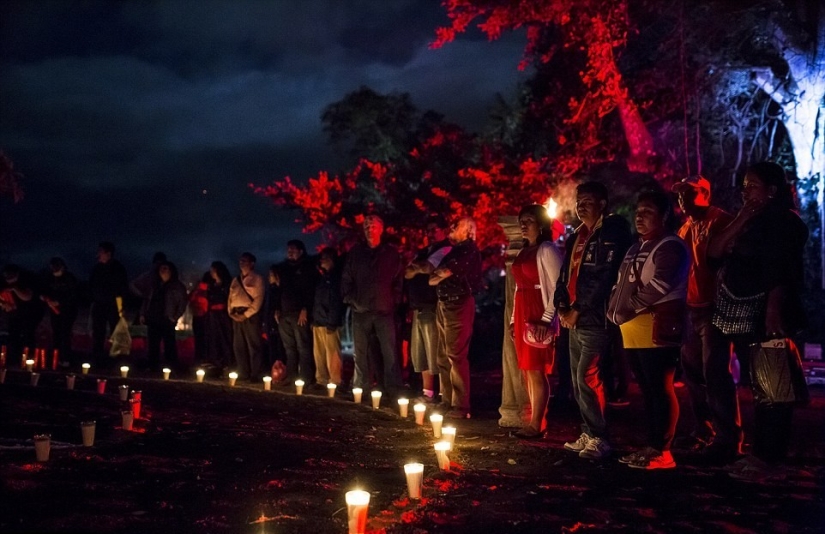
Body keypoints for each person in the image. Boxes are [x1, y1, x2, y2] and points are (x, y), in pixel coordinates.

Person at [707, 161, 809, 480]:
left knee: (773, 387)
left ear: (772, 191)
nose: (745, 191)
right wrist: (743, 216)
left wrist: (773, 309)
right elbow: (714, 252)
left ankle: (770, 459)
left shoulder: (786, 222)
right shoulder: (750, 220)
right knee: (758, 387)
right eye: (744, 185)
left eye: (753, 186)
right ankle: (760, 453)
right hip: (742, 315)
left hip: (769, 314)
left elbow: (782, 269)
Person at [607, 190, 689, 469]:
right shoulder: (635, 247)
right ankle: (651, 446)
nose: (639, 216)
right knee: (646, 388)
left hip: (658, 327)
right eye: (638, 211)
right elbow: (620, 284)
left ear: (664, 215)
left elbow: (660, 286)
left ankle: (663, 450)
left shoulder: (671, 246)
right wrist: (613, 309)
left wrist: (626, 308)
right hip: (633, 331)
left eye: (648, 211)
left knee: (659, 387)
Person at [555, 181, 633, 459]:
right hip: (575, 317)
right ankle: (588, 432)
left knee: (587, 376)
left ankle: (600, 437)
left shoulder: (612, 230)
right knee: (577, 379)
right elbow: (566, 274)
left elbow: (604, 275)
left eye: (588, 201)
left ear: (602, 203)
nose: (581, 206)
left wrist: (577, 308)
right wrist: (561, 305)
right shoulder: (579, 235)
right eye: (578, 201)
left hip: (595, 316)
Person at [671, 175, 742, 462]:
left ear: (704, 193)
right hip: (690, 308)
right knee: (693, 374)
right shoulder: (686, 227)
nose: (681, 199)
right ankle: (704, 430)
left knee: (715, 372)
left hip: (713, 307)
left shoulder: (721, 222)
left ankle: (728, 438)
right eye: (680, 194)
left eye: (688, 193)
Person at [509, 204, 563, 438]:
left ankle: (537, 424)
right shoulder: (524, 250)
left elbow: (558, 287)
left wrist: (547, 319)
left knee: (536, 370)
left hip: (539, 313)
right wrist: (513, 319)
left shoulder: (547, 249)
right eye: (521, 220)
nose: (523, 224)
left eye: (529, 220)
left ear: (541, 224)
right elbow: (517, 288)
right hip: (523, 312)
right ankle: (535, 419)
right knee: (527, 370)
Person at [341, 215, 404, 395]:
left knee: (390, 352)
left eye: (373, 226)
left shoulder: (391, 254)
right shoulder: (355, 253)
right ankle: (361, 387)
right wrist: (352, 299)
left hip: (385, 310)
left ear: (381, 229)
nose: (370, 229)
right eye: (367, 226)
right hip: (360, 311)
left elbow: (398, 280)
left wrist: (394, 300)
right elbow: (346, 279)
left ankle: (393, 388)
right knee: (360, 353)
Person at [429, 216, 484, 419]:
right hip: (444, 303)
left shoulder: (469, 251)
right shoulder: (454, 251)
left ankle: (460, 405)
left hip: (458, 304)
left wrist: (441, 273)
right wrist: (440, 274)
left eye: (457, 225)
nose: (452, 226)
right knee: (443, 355)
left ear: (469, 230)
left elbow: (444, 272)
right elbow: (433, 278)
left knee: (456, 354)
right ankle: (447, 400)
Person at [404, 215, 452, 403]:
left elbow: (427, 267)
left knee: (435, 352)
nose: (431, 234)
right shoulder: (423, 251)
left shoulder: (446, 249)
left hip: (433, 306)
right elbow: (408, 272)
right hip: (419, 307)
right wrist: (419, 268)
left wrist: (420, 268)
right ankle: (427, 393)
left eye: (435, 229)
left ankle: (443, 394)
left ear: (443, 230)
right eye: (428, 230)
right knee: (421, 353)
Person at [275, 240, 317, 384]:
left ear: (301, 251)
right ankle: (291, 376)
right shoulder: (284, 269)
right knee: (289, 348)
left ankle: (306, 377)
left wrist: (306, 308)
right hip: (285, 313)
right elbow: (280, 290)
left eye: (293, 249)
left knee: (303, 346)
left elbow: (311, 290)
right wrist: (277, 309)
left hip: (299, 314)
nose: (290, 252)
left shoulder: (307, 267)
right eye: (288, 249)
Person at [140, 261, 188, 371]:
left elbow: (182, 303)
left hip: (167, 319)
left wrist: (175, 317)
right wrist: (143, 314)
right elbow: (147, 300)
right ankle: (153, 366)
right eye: (161, 268)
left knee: (169, 344)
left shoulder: (177, 286)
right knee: (153, 344)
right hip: (153, 318)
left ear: (171, 271)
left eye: (165, 268)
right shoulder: (154, 285)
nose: (163, 271)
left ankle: (171, 366)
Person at [88, 241, 129, 366]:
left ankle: (115, 359)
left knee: (115, 332)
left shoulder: (118, 268)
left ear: (108, 253)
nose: (98, 254)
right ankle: (98, 358)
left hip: (113, 305)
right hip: (99, 304)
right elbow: (91, 286)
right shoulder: (97, 268)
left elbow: (123, 289)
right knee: (98, 332)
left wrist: (122, 307)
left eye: (100, 252)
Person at [228, 252, 265, 382]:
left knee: (253, 345)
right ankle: (243, 372)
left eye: (245, 260)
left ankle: (255, 374)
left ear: (252, 263)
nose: (241, 263)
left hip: (250, 315)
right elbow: (230, 297)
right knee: (238, 345)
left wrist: (246, 314)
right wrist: (231, 312)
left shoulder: (258, 279)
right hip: (236, 313)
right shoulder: (235, 279)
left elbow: (258, 299)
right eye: (241, 260)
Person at [312, 247, 345, 388]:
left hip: (329, 322)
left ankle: (335, 380)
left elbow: (336, 301)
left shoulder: (336, 278)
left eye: (324, 258)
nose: (321, 261)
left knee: (332, 353)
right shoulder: (323, 277)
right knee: (319, 353)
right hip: (319, 320)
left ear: (331, 260)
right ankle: (321, 379)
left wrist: (332, 322)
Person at [40, 257, 80, 367]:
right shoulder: (49, 278)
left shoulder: (70, 278)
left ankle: (66, 358)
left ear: (62, 267)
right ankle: (56, 358)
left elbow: (74, 295)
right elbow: (44, 290)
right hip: (54, 311)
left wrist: (60, 302)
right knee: (56, 334)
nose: (54, 269)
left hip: (68, 311)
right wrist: (44, 297)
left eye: (56, 267)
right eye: (52, 267)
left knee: (65, 334)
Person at [1, 264, 43, 361]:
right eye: (6, 275)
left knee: (28, 333)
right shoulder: (3, 282)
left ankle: (29, 357)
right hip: (14, 313)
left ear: (17, 274)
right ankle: (14, 357)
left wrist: (15, 289)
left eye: (11, 275)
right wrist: (3, 303)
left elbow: (27, 297)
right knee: (13, 333)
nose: (8, 278)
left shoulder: (27, 280)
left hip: (31, 311)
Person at [205, 261, 233, 374]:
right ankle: (215, 364)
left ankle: (227, 363)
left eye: (213, 270)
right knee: (213, 339)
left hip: (223, 315)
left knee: (224, 338)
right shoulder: (212, 285)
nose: (211, 273)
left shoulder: (226, 284)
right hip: (212, 315)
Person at [263, 264, 286, 370]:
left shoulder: (281, 289)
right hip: (269, 321)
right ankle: (273, 369)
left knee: (280, 347)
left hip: (278, 322)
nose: (269, 277)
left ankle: (282, 370)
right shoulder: (269, 290)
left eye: (271, 275)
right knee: (272, 347)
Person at [188, 271, 211, 367]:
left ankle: (198, 360)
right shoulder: (208, 290)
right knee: (207, 340)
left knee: (199, 340)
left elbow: (190, 301)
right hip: (206, 317)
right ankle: (205, 360)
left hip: (197, 316)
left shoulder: (196, 290)